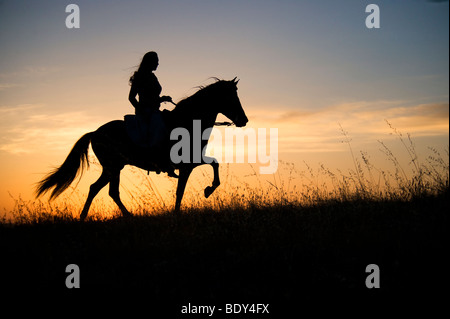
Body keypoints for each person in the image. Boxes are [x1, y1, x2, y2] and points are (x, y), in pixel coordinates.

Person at [128, 51, 178, 178]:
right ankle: (159, 161)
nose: (158, 64)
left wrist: (162, 99)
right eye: (156, 61)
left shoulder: (152, 76)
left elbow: (153, 97)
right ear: (149, 62)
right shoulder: (139, 77)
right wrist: (141, 110)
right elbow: (131, 97)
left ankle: (168, 161)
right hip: (146, 113)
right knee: (161, 129)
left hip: (155, 111)